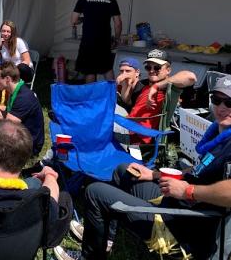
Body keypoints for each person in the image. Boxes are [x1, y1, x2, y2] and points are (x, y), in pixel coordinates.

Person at [56, 74, 231, 260]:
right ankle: (104, 238)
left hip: (182, 225)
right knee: (124, 171)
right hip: (174, 200)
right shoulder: (219, 133)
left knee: (95, 192)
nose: (221, 107)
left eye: (229, 102)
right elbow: (199, 170)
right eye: (217, 100)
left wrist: (188, 191)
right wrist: (154, 175)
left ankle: (90, 257)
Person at [122, 49, 196, 144]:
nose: (152, 71)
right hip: (126, 128)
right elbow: (127, 102)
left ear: (168, 70)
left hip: (139, 138)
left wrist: (156, 86)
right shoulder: (143, 85)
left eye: (157, 67)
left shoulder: (171, 87)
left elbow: (191, 77)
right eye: (148, 67)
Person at [0, 61, 44, 156]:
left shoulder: (23, 97)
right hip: (20, 135)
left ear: (7, 79)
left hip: (28, 146)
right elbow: (10, 112)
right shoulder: (15, 90)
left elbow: (6, 127)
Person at [71, 0, 122, 83]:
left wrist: (84, 19)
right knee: (107, 68)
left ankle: (91, 93)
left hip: (88, 41)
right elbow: (118, 23)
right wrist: (117, 39)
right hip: (104, 41)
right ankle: (111, 92)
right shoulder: (111, 0)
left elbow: (74, 20)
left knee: (90, 70)